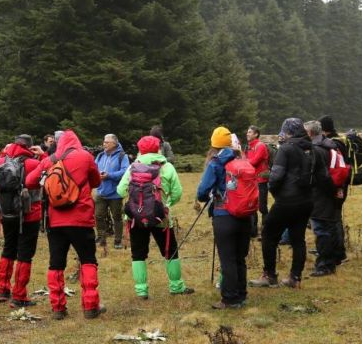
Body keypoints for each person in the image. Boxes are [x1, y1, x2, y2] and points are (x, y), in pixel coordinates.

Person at [26, 130, 105, 320]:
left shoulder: (49, 160)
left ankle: (58, 308)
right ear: (76, 141)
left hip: (56, 220)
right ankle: (90, 307)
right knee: (87, 260)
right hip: (81, 219)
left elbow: (29, 182)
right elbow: (95, 181)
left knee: (56, 263)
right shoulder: (85, 156)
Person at [117, 136, 194, 298]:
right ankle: (176, 286)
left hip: (135, 219)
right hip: (161, 218)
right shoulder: (167, 167)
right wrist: (167, 204)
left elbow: (120, 190)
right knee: (170, 251)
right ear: (158, 148)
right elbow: (178, 193)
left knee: (138, 253)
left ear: (140, 149)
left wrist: (135, 201)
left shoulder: (133, 167)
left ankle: (141, 290)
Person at [250, 118, 317, 289]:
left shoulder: (286, 149)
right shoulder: (311, 148)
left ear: (287, 132)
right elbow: (320, 175)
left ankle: (269, 275)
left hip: (287, 201)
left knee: (268, 235)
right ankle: (295, 278)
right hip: (306, 201)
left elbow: (276, 176)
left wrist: (275, 192)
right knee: (298, 239)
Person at [197, 127, 250, 309]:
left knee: (227, 258)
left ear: (213, 143)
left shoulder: (216, 163)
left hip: (224, 214)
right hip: (246, 215)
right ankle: (242, 294)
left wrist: (207, 197)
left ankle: (229, 298)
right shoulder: (242, 159)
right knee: (239, 257)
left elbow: (202, 191)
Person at [0, 135, 42, 308]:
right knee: (25, 253)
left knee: (8, 248)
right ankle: (19, 295)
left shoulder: (0, 162)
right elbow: (47, 175)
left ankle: (3, 290)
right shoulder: (34, 164)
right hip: (29, 214)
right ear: (30, 147)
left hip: (6, 213)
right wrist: (42, 155)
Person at [305, 120, 342, 277]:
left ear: (310, 133)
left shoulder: (316, 150)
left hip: (321, 195)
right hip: (330, 194)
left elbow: (320, 176)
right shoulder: (331, 145)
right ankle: (331, 261)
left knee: (321, 230)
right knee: (330, 228)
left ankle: (324, 265)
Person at [319, 115, 349, 266]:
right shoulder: (340, 141)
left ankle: (339, 253)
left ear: (323, 128)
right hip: (341, 185)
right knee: (335, 218)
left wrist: (337, 187)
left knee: (334, 219)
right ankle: (336, 250)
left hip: (337, 186)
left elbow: (338, 169)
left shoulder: (333, 144)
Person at [94, 134, 129, 249]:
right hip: (101, 192)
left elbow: (125, 172)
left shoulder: (122, 156)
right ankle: (101, 238)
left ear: (114, 144)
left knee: (117, 217)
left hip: (116, 193)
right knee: (98, 216)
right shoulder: (100, 156)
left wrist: (109, 175)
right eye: (104, 142)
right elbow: (93, 169)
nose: (104, 144)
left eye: (107, 142)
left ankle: (118, 240)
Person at [245, 126, 270, 238]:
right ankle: (253, 231)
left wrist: (244, 162)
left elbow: (254, 162)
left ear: (256, 134)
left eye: (250, 132)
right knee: (251, 206)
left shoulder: (260, 146)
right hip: (251, 180)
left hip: (261, 180)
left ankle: (265, 231)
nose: (247, 134)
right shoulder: (248, 147)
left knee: (262, 207)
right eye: (247, 132)